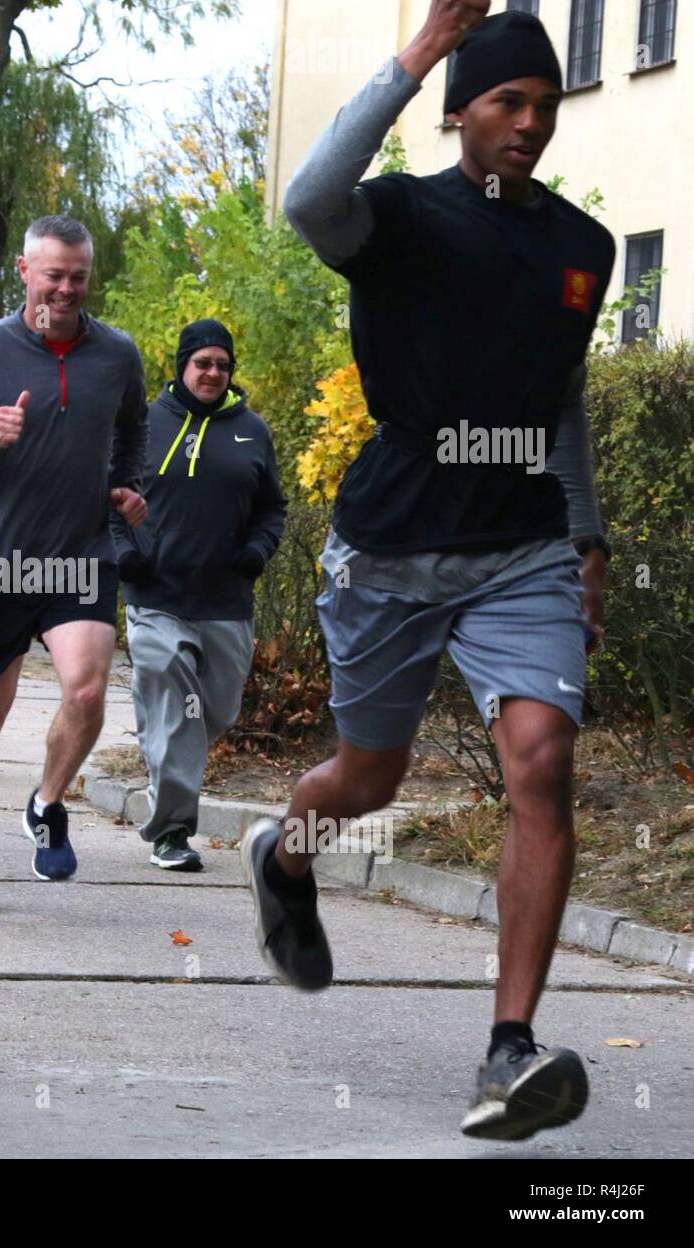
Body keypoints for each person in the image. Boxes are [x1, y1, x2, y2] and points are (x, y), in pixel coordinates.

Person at [248, 1, 615, 1141]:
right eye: (507, 101)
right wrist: (410, 59)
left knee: (540, 761)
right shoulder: (399, 218)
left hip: (522, 549)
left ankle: (509, 1049)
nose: (529, 125)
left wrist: (587, 539)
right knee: (365, 782)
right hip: (393, 546)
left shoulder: (580, 249)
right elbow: (307, 199)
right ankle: (286, 857)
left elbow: (559, 401)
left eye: (545, 108)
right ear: (461, 110)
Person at [0, 215, 148, 914]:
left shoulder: (116, 354)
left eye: (78, 276)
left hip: (80, 552)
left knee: (86, 693)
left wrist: (128, 488)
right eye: (53, 274)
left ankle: (48, 801)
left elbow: (135, 428)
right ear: (25, 272)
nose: (67, 288)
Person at [112, 319, 286, 871]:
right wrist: (126, 551)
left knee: (214, 710)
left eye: (223, 364)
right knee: (169, 691)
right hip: (155, 592)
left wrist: (257, 551)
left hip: (225, 600)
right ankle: (172, 832)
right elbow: (108, 496)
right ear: (182, 365)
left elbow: (271, 507)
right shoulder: (141, 424)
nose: (213, 373)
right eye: (203, 362)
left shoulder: (251, 430)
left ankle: (161, 741)